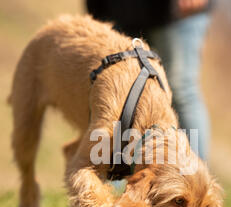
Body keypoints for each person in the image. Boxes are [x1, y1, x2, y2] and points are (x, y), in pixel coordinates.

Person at [86, 0, 213, 161]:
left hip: (175, 14)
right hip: (117, 11)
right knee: (116, 93)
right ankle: (111, 180)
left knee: (181, 90)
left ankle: (194, 177)